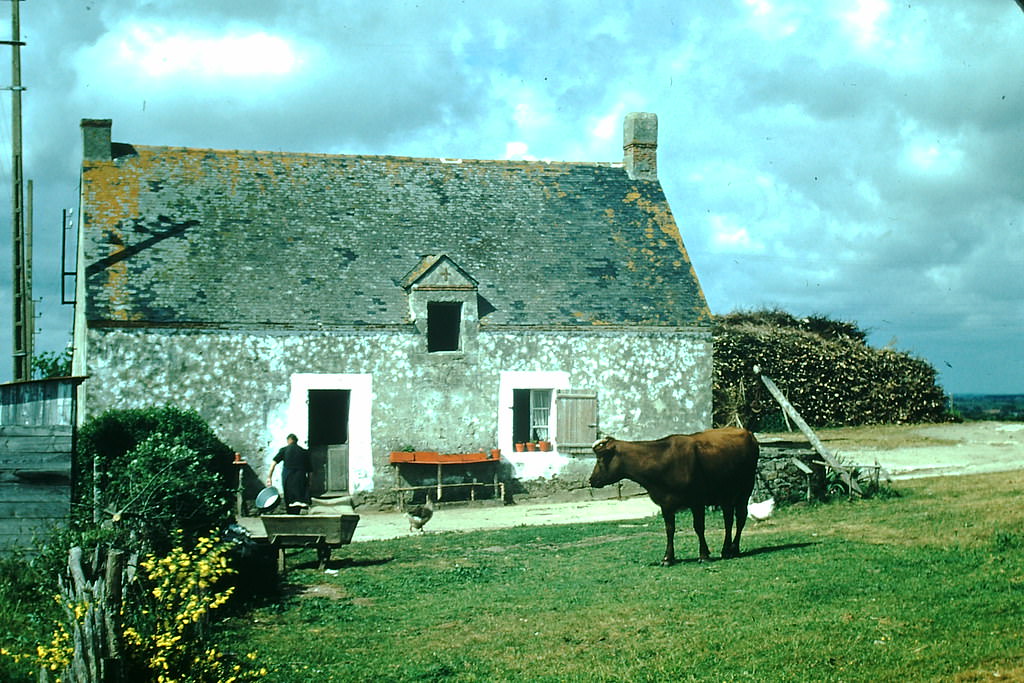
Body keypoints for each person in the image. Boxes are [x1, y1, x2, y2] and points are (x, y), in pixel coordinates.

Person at [267, 433, 312, 514]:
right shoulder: (304, 452)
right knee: (300, 496)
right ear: (296, 441)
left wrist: (269, 477)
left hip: (288, 476)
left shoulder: (284, 450)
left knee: (289, 497)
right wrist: (309, 481)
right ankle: (299, 514)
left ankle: (290, 514)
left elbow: (273, 463)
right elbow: (310, 470)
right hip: (301, 476)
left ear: (289, 440)